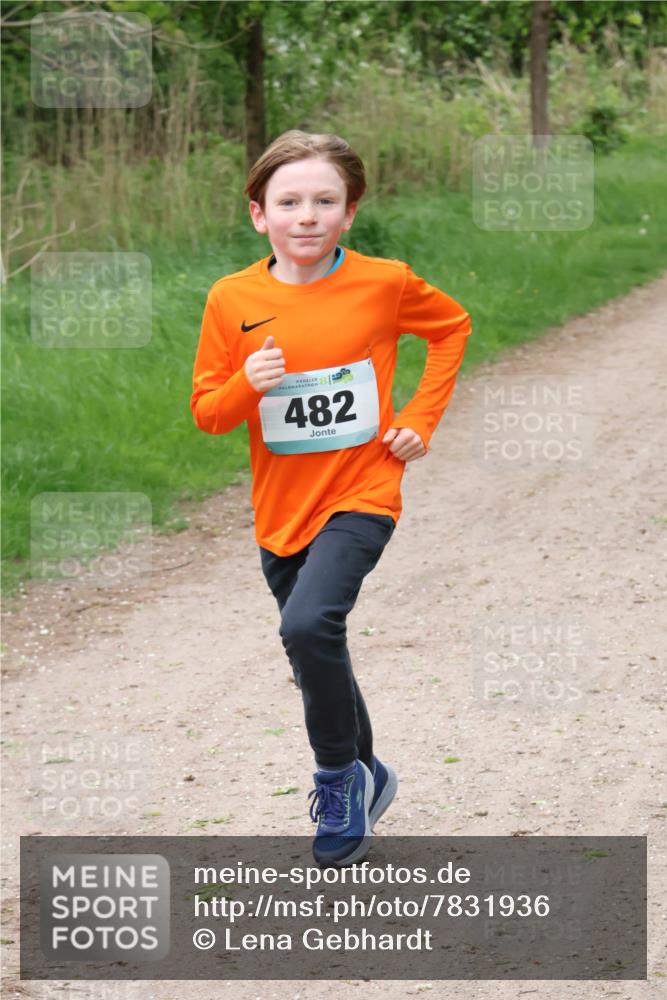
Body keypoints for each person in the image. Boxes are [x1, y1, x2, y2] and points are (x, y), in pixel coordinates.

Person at [190, 129, 472, 867]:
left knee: (310, 622)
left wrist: (417, 418)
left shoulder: (384, 282)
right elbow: (210, 413)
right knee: (315, 644)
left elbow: (450, 328)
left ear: (349, 213)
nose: (306, 215)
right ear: (259, 214)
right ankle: (371, 771)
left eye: (324, 201)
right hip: (280, 509)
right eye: (289, 201)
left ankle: (336, 780)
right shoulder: (232, 299)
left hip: (363, 490)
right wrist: (249, 381)